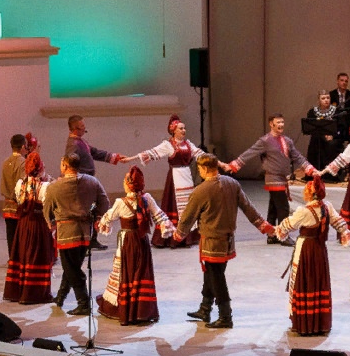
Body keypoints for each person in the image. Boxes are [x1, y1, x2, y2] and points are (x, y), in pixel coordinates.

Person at [174, 153, 275, 328]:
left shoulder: (201, 191)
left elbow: (188, 216)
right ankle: (205, 309)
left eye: (199, 169)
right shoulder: (232, 183)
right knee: (211, 274)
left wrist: (179, 234)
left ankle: (225, 316)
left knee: (216, 277)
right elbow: (248, 207)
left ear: (205, 168)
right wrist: (263, 225)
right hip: (227, 240)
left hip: (212, 240)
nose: (199, 172)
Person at [274, 176, 350, 336]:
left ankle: (306, 323)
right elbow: (339, 223)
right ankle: (319, 323)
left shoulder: (303, 211)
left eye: (305, 190)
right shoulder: (327, 207)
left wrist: (274, 229)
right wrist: (349, 236)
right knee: (318, 281)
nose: (304, 193)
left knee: (305, 281)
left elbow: (286, 227)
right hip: (320, 250)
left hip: (306, 250)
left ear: (311, 194)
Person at [95, 166, 174, 325]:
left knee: (126, 273)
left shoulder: (120, 203)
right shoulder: (147, 199)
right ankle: (141, 310)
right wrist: (168, 229)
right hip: (142, 241)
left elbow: (106, 220)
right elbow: (161, 217)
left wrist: (99, 222)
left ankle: (126, 310)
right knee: (141, 273)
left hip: (128, 242)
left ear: (128, 184)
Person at [225, 113, 314, 247]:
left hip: (282, 178)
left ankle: (272, 235)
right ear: (271, 124)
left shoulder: (287, 141)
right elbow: (250, 152)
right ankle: (283, 236)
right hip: (273, 178)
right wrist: (235, 165)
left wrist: (310, 169)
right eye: (278, 122)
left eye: (282, 122)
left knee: (274, 207)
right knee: (283, 207)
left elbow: (297, 157)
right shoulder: (265, 141)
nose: (281, 125)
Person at [123, 114, 205, 248]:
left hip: (187, 178)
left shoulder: (188, 144)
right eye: (181, 128)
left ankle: (187, 236)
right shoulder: (168, 145)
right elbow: (150, 153)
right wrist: (130, 159)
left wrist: (222, 164)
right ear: (174, 130)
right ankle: (172, 237)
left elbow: (202, 155)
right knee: (174, 205)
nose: (184, 130)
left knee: (188, 205)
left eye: (184, 128)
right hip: (175, 178)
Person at [44, 153, 111, 314]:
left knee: (72, 269)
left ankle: (84, 303)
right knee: (71, 267)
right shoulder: (92, 181)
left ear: (66, 165)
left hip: (66, 233)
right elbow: (105, 202)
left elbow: (47, 209)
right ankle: (61, 297)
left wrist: (50, 223)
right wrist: (98, 217)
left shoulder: (54, 186)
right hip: (85, 232)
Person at [4, 152, 56, 305]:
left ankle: (19, 291)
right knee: (37, 256)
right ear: (40, 168)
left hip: (24, 225)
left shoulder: (21, 184)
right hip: (38, 225)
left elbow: (20, 201)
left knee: (23, 254)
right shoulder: (45, 186)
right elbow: (48, 207)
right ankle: (35, 293)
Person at [65, 115, 123, 250]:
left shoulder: (80, 141)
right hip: (82, 183)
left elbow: (94, 152)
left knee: (97, 207)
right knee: (89, 210)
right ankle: (85, 241)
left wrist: (115, 157)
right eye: (82, 127)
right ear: (75, 129)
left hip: (88, 181)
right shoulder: (73, 145)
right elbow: (69, 164)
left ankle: (92, 239)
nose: (84, 129)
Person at [305, 89, 343, 180]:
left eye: (327, 98)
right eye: (323, 98)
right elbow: (310, 128)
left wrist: (333, 136)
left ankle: (330, 175)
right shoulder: (312, 112)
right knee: (315, 142)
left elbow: (342, 128)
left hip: (333, 137)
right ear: (319, 100)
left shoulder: (337, 111)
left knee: (331, 144)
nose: (326, 100)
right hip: (317, 137)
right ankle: (313, 173)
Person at [1, 133, 28, 257]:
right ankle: (20, 259)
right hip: (18, 205)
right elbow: (23, 183)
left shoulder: (5, 162)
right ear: (22, 147)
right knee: (21, 235)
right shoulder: (23, 162)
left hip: (7, 205)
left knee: (10, 235)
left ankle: (12, 258)